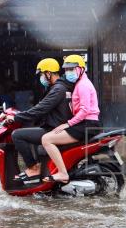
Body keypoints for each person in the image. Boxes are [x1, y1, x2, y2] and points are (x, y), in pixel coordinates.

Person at [6, 58, 75, 184]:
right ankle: (41, 170)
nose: (41, 78)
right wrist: (24, 115)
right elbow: (41, 108)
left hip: (54, 129)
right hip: (57, 126)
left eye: (42, 74)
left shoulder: (58, 89)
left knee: (17, 135)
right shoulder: (61, 87)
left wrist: (16, 117)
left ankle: (33, 168)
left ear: (48, 73)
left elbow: (40, 109)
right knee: (31, 129)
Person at [41, 55, 101, 184]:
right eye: (66, 70)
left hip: (86, 124)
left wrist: (68, 124)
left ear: (80, 69)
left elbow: (85, 110)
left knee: (46, 139)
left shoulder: (83, 85)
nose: (68, 72)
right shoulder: (79, 83)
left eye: (71, 69)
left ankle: (63, 173)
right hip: (85, 123)